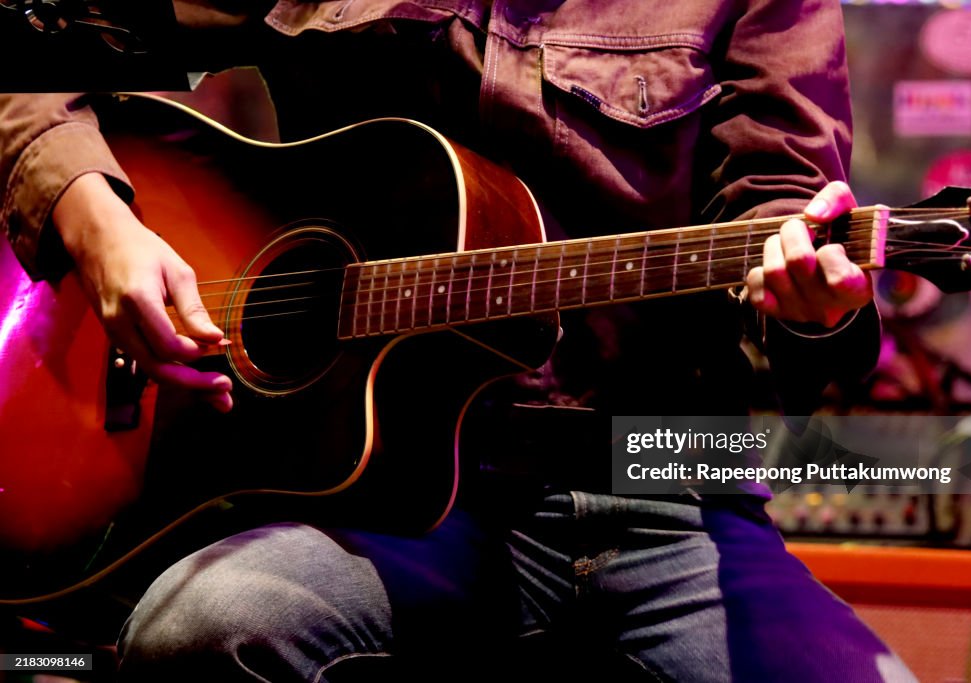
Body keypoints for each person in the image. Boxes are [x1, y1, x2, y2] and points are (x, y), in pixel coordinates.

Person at [0, 0, 915, 680]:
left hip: (663, 481)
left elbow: (787, 215)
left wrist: (814, 307)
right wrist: (95, 220)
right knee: (203, 627)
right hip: (386, 502)